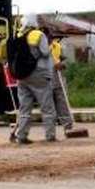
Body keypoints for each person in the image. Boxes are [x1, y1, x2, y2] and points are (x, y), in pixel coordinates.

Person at [12, 14, 57, 144]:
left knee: (24, 108)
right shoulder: (38, 35)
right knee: (47, 107)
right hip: (39, 74)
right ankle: (50, 136)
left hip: (22, 75)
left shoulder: (19, 35)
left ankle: (21, 136)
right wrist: (51, 45)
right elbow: (44, 52)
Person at [48, 30, 74, 134]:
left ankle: (67, 126)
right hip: (45, 82)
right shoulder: (38, 49)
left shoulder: (57, 47)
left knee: (63, 104)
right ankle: (50, 128)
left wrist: (62, 64)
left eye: (49, 37)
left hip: (58, 81)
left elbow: (68, 60)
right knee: (49, 106)